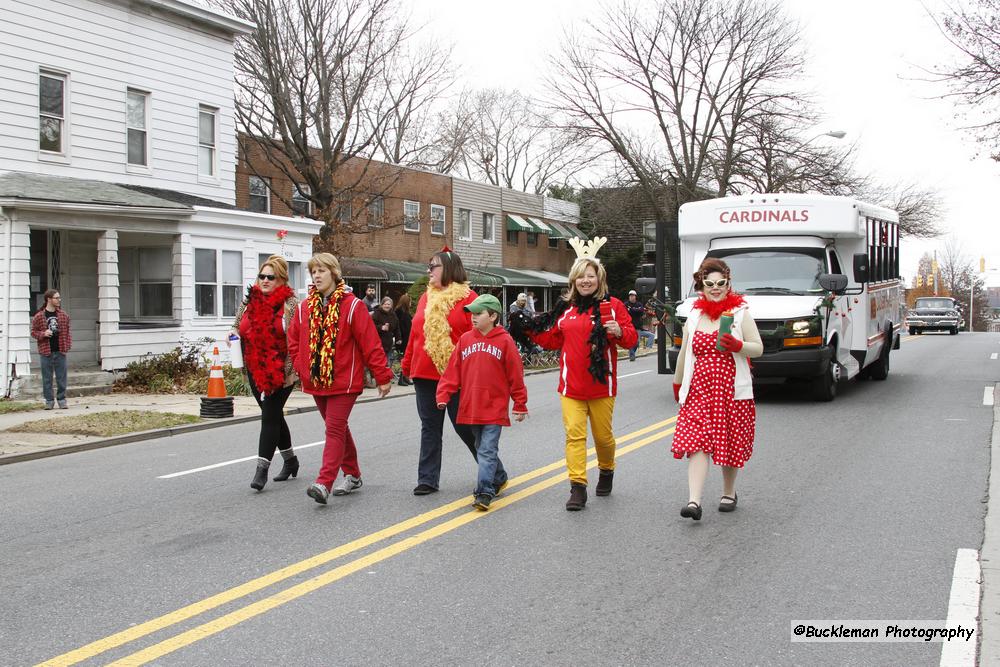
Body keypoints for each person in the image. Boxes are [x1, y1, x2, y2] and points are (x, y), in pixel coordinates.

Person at [511, 246, 638, 511]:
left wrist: (618, 331)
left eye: (590, 276)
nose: (585, 281)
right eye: (581, 276)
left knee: (603, 438)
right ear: (573, 281)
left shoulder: (612, 306)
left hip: (602, 385)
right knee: (574, 437)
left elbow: (631, 338)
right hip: (571, 387)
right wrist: (526, 330)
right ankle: (577, 486)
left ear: (599, 278)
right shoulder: (566, 309)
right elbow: (552, 339)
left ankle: (606, 469)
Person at [287, 253, 393, 505]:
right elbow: (293, 341)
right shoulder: (304, 308)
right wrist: (302, 368)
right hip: (316, 381)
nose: (317, 275)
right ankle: (353, 474)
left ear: (334, 273)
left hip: (344, 382)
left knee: (333, 428)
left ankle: (324, 482)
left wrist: (382, 376)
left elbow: (370, 343)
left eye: (322, 270)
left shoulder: (353, 305)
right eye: (314, 271)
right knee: (339, 428)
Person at [671, 257, 763, 521]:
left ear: (728, 284)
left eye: (720, 283)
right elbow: (683, 355)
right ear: (701, 286)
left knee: (730, 442)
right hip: (699, 390)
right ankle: (694, 501)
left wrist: (738, 346)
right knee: (697, 442)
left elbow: (757, 347)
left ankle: (729, 492)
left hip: (731, 390)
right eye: (709, 284)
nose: (715, 288)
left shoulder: (740, 314)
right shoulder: (694, 316)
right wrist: (678, 384)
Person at [436, 294, 528, 511]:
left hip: (494, 408)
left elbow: (516, 375)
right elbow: (452, 372)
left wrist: (520, 404)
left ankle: (484, 491)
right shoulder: (465, 340)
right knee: (480, 446)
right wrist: (443, 395)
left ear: (493, 316)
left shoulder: (505, 341)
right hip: (471, 406)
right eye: (472, 314)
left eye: (478, 314)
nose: (473, 318)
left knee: (486, 449)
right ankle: (500, 476)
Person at [401, 247, 480, 495]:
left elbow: (477, 339)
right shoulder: (427, 297)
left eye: (432, 266)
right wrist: (406, 364)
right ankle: (427, 479)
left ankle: (493, 471)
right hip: (424, 373)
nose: (428, 271)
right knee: (429, 427)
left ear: (448, 268)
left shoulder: (469, 298)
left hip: (456, 374)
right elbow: (416, 334)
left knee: (463, 427)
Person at [230, 256, 300, 490]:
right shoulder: (249, 301)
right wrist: (232, 336)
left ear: (281, 280)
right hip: (254, 366)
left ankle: (261, 471)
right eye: (262, 276)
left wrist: (289, 369)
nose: (265, 280)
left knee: (269, 415)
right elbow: (236, 326)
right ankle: (291, 461)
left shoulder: (291, 305)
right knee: (274, 415)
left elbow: (297, 338)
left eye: (271, 277)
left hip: (282, 370)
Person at [30, 289, 72, 410]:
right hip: (46, 351)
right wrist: (43, 333)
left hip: (60, 350)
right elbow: (33, 332)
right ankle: (49, 401)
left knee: (61, 377)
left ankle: (62, 399)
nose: (59, 300)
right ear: (49, 299)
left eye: (59, 298)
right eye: (56, 298)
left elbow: (68, 332)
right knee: (47, 378)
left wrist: (67, 346)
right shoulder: (39, 316)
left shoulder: (63, 315)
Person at [625, 290, 656, 361]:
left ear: (635, 297)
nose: (631, 297)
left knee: (637, 342)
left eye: (633, 296)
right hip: (629, 326)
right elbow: (627, 311)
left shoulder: (639, 304)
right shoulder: (626, 304)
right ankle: (632, 355)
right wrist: (635, 310)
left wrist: (632, 309)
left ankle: (632, 352)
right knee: (632, 341)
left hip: (638, 327)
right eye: (630, 296)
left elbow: (640, 311)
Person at [371, 296, 400, 367]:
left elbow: (397, 328)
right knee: (379, 363)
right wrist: (381, 327)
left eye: (389, 304)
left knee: (387, 364)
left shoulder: (393, 315)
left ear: (391, 305)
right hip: (378, 343)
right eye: (385, 304)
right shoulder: (377, 313)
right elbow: (371, 326)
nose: (387, 306)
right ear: (382, 305)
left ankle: (386, 376)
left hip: (389, 343)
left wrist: (398, 338)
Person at [395, 293, 413, 386]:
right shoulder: (401, 313)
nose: (411, 304)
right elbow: (402, 327)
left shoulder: (404, 312)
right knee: (403, 359)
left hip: (405, 338)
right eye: (410, 302)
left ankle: (405, 377)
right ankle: (402, 378)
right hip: (403, 339)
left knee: (405, 358)